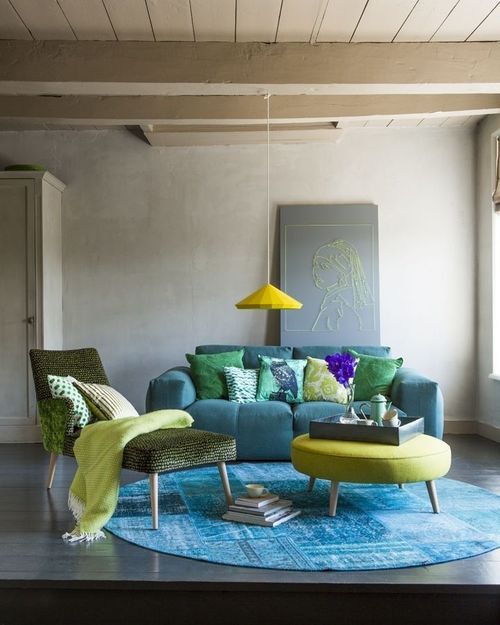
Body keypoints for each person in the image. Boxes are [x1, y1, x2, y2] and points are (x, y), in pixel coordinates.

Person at [311, 239, 373, 332]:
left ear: (342, 273)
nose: (315, 272)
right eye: (315, 265)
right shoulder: (336, 299)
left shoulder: (338, 305)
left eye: (323, 266)